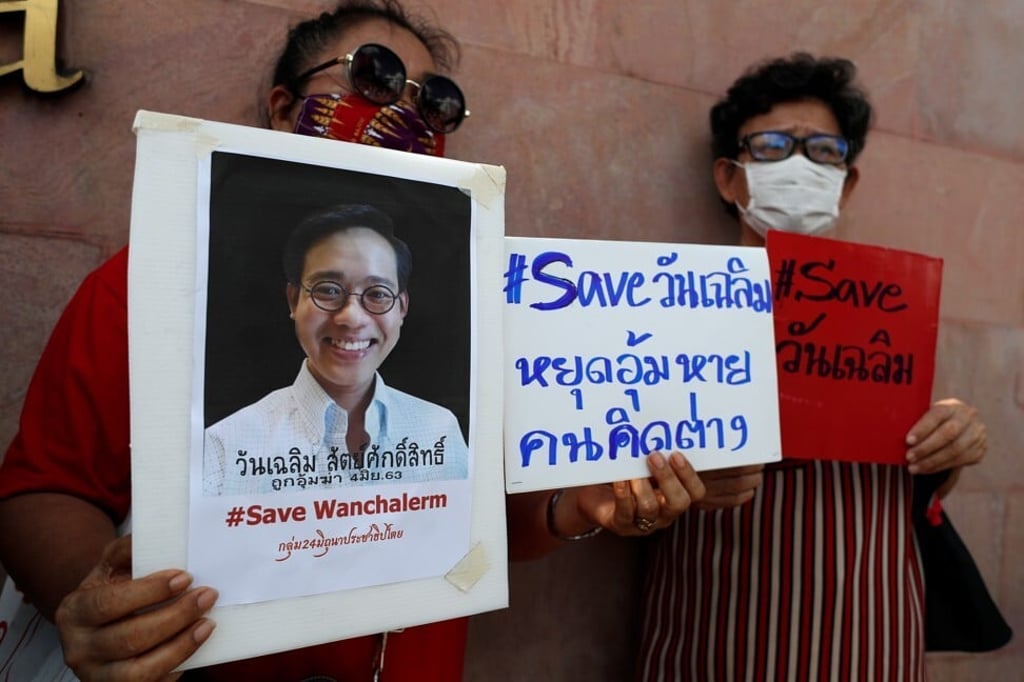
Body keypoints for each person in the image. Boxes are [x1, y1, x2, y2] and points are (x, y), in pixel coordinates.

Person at [0, 1, 706, 679]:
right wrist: (101, 609)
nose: (405, 113)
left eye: (435, 102)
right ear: (282, 108)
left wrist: (576, 508)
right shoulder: (151, 280)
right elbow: (44, 490)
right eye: (374, 76)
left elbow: (487, 523)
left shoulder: (480, 310)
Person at [635, 53, 989, 681]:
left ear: (846, 182)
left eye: (824, 150)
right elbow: (611, 490)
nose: (800, 163)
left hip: (877, 643)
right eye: (771, 146)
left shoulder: (890, 315)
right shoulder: (665, 310)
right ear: (729, 176)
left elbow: (917, 478)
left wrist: (950, 443)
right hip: (715, 646)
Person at [204, 203, 468, 495]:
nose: (352, 318)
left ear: (402, 307)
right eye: (328, 290)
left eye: (378, 294)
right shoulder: (226, 447)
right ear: (293, 300)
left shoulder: (440, 433)